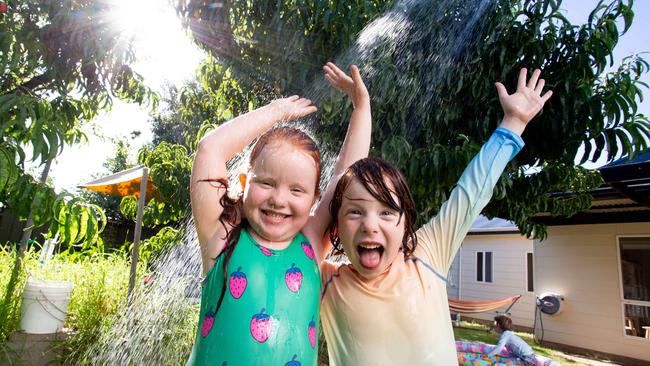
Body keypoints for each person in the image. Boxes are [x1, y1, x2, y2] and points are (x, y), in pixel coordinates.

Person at [319, 68, 553, 365]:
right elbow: (337, 188)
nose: (370, 225)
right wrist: (362, 109)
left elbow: (472, 192)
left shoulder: (427, 253)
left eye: (387, 212)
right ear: (335, 226)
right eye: (355, 212)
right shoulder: (325, 279)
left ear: (405, 224)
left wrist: (514, 122)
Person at [186, 62, 371, 366]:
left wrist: (361, 108)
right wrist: (274, 112)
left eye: (296, 191)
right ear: (244, 183)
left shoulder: (310, 243)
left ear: (314, 199)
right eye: (266, 183)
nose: (278, 199)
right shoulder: (222, 237)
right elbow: (210, 150)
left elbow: (345, 176)